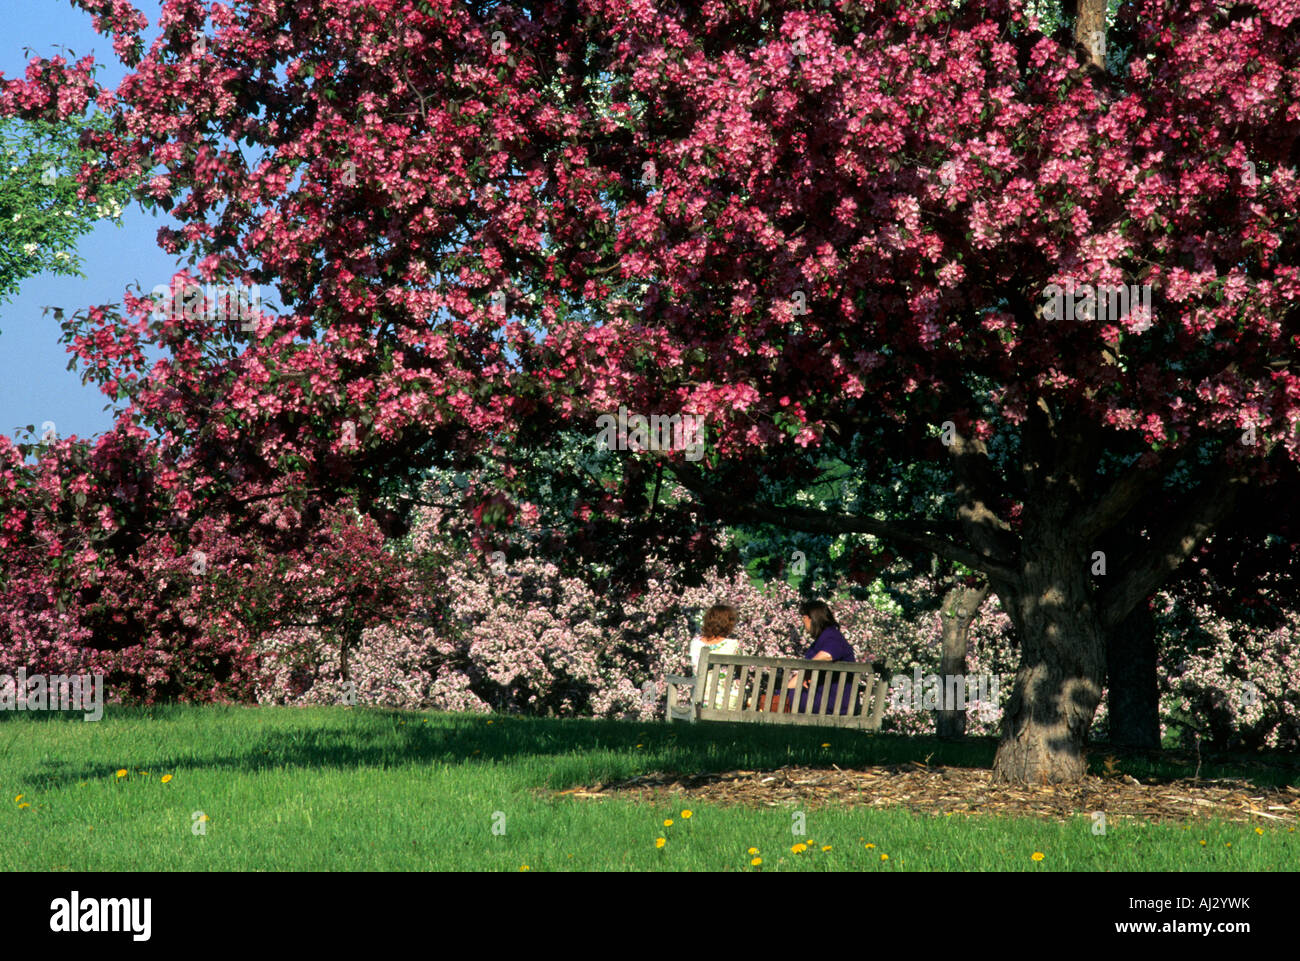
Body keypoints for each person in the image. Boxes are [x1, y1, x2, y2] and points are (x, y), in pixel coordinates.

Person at [778, 600, 858, 715]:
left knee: (786, 697)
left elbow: (827, 655)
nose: (803, 625)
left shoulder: (832, 636)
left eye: (803, 619)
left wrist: (807, 671)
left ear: (810, 618)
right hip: (827, 698)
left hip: (834, 702)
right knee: (782, 695)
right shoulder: (825, 637)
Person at [689, 603, 741, 710]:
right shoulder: (734, 645)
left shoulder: (695, 643)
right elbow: (740, 668)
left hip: (701, 699)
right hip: (727, 701)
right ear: (729, 624)